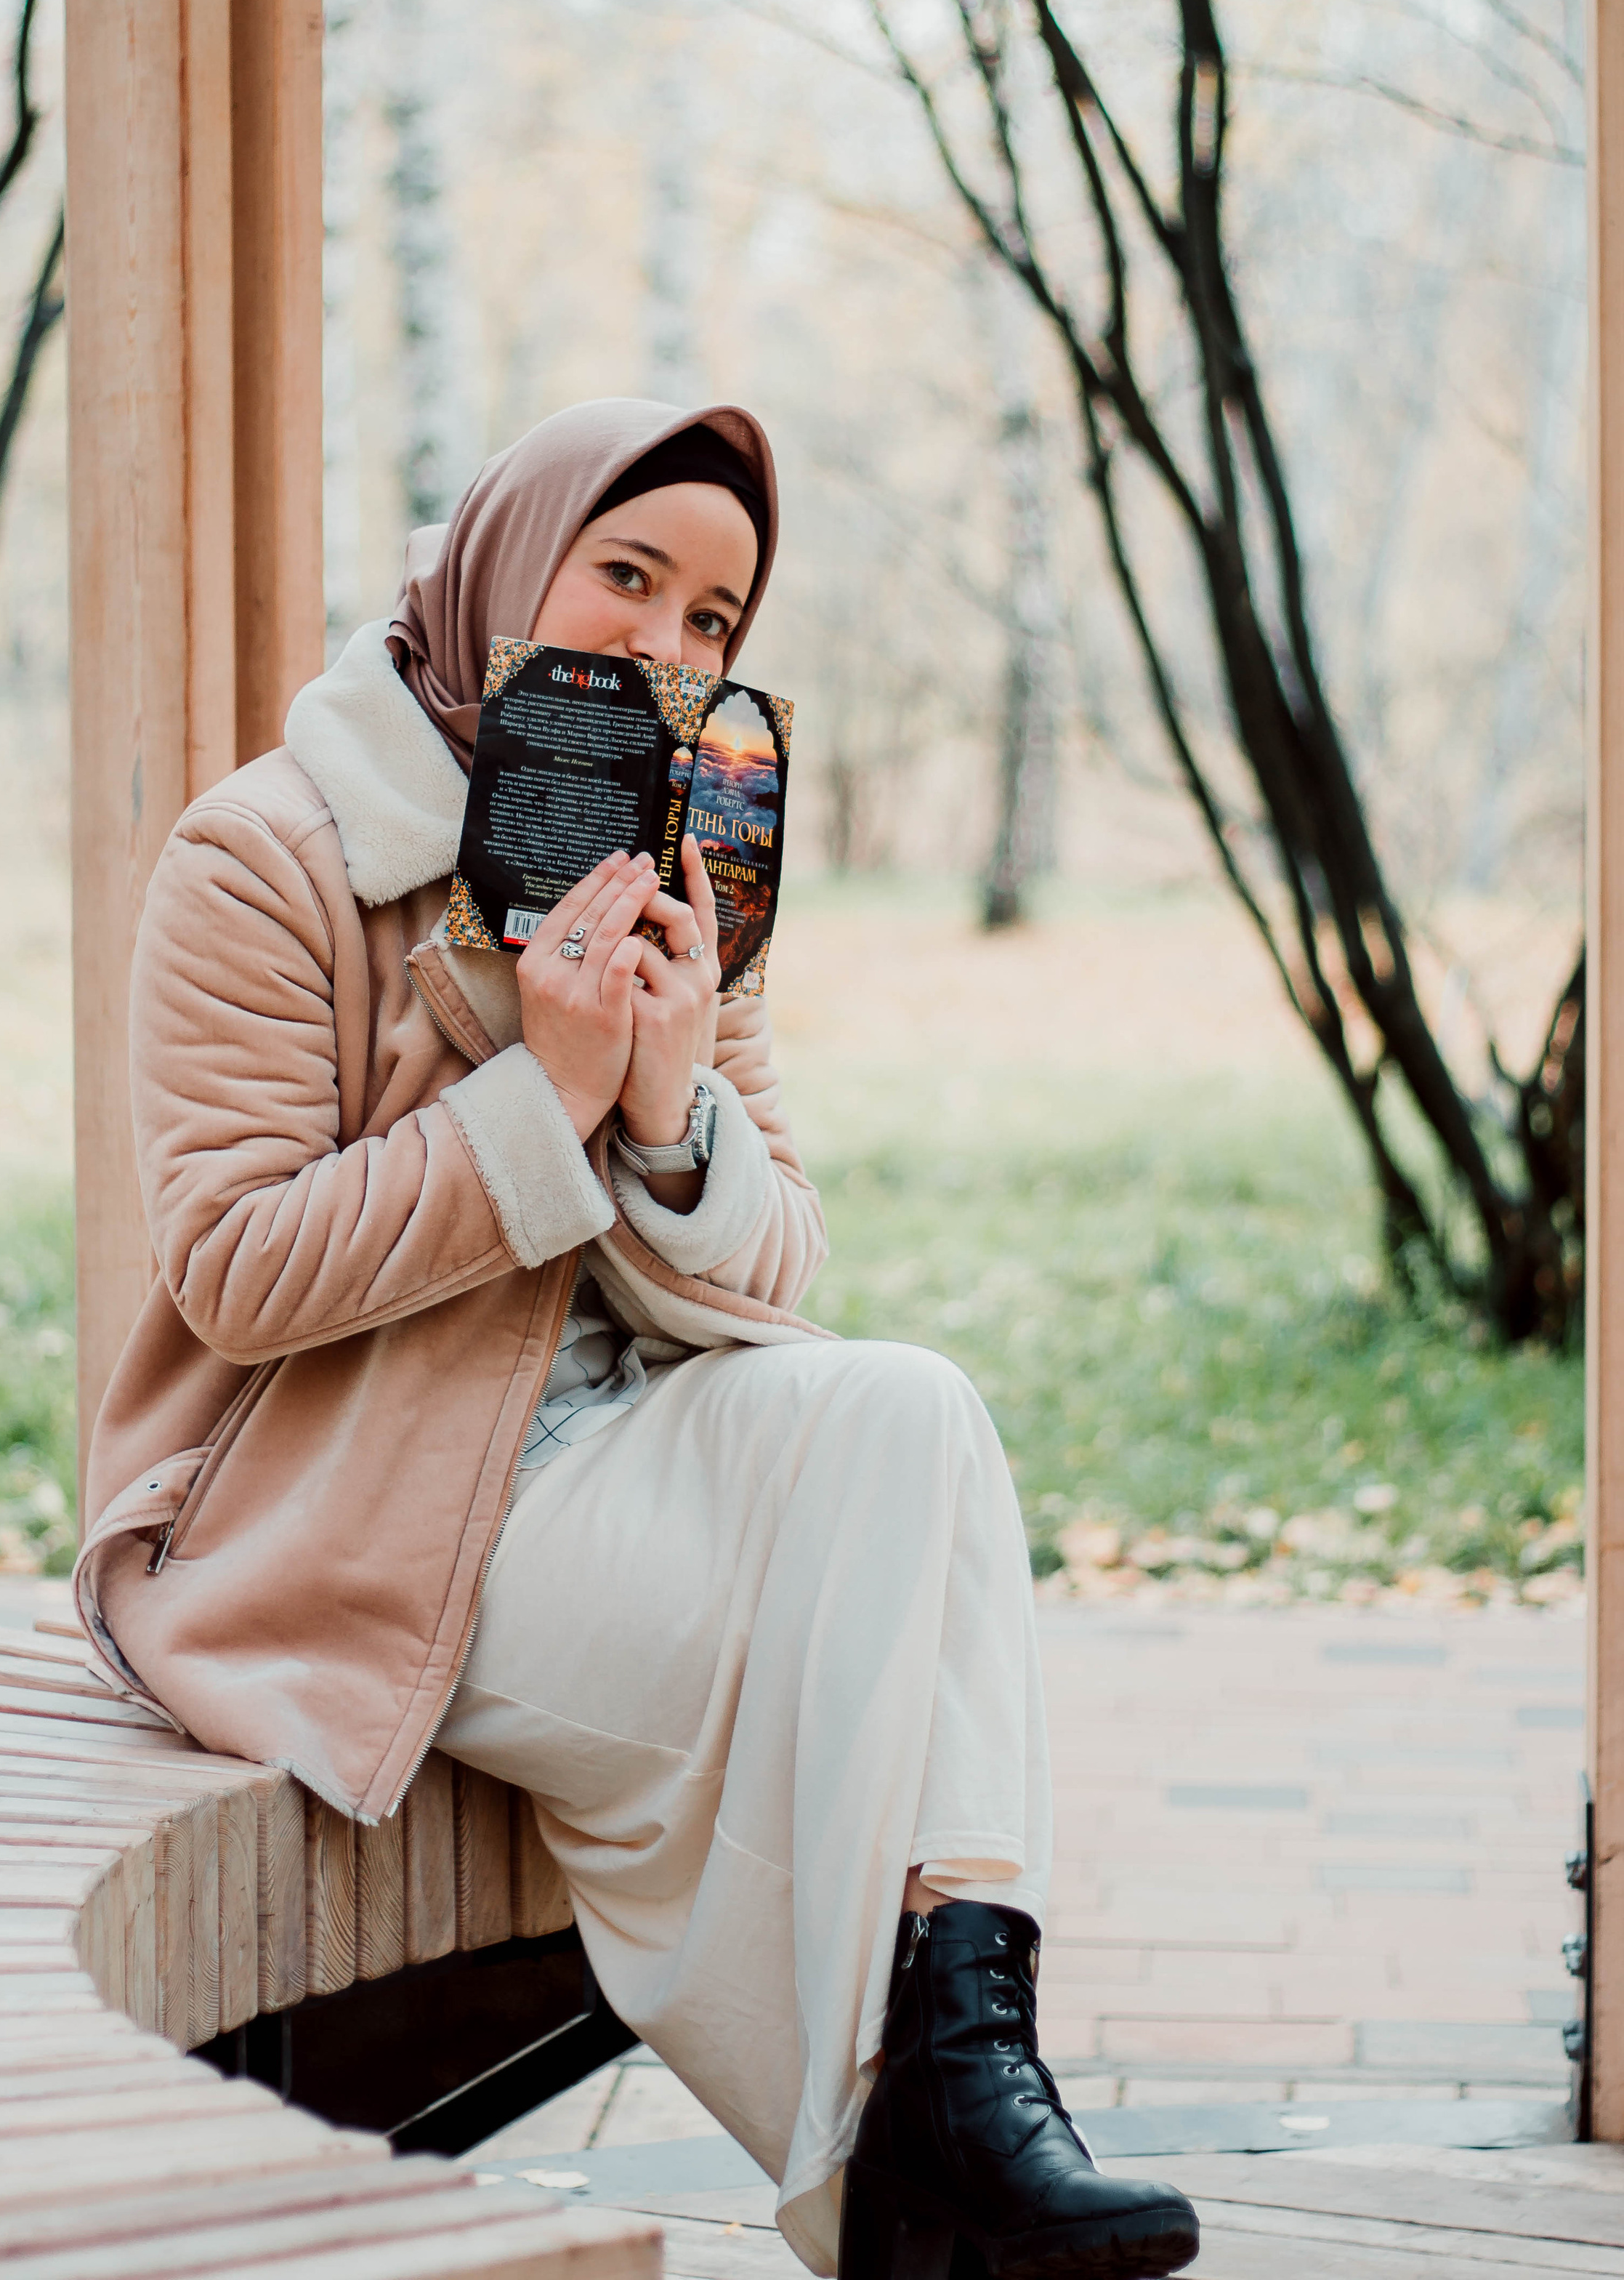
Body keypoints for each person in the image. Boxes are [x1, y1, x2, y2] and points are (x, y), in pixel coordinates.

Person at [78, 398, 1200, 2280]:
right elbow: (236, 1271)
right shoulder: (265, 854)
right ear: (510, 563)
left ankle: (952, 2097)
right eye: (626, 576)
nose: (665, 643)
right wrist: (543, 1096)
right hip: (342, 1518)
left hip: (622, 1450)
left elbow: (780, 1272)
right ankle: (929, 2144)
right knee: (859, 1683)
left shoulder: (688, 864)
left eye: (713, 617)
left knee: (912, 1412)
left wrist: (672, 1109)